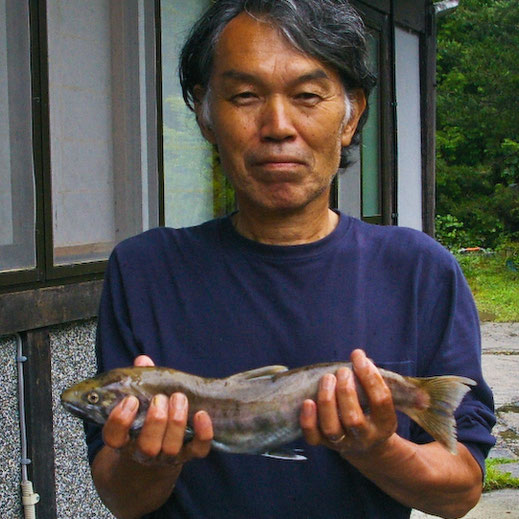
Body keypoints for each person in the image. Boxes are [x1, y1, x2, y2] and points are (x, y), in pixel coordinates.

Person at [85, 1, 495, 518]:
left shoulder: (420, 271)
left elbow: (460, 492)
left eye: (306, 96)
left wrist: (376, 449)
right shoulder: (144, 269)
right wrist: (154, 460)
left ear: (352, 114)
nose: (278, 125)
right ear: (205, 113)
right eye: (244, 96)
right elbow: (122, 498)